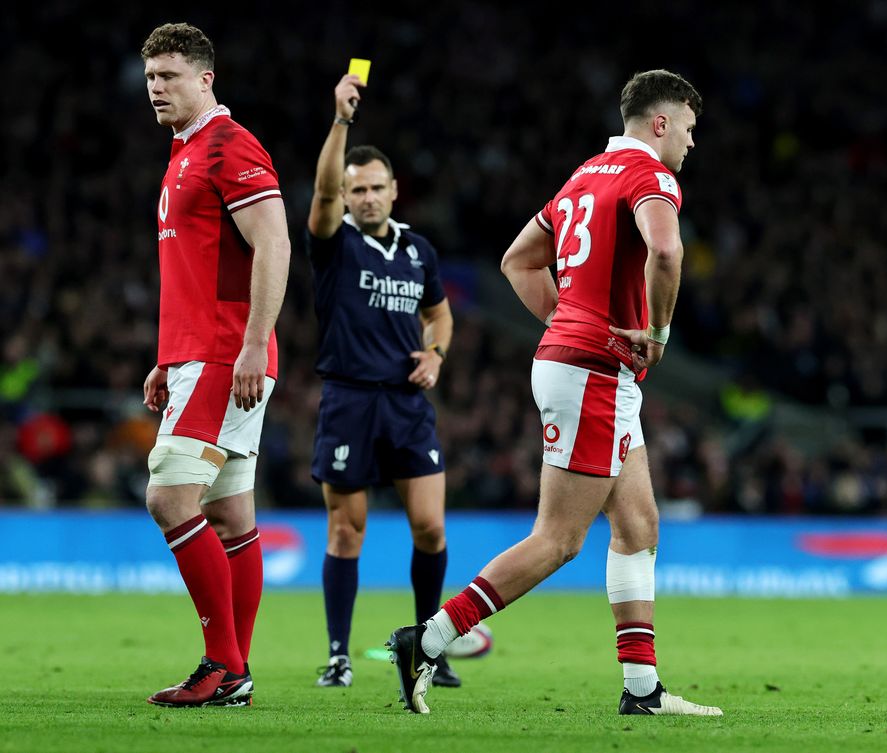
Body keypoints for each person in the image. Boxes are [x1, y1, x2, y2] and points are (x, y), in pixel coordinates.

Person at [387, 69, 723, 717]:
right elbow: (667, 251)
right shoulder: (651, 176)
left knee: (637, 522)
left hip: (585, 365)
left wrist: (565, 322)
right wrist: (656, 329)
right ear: (659, 123)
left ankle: (642, 689)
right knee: (560, 538)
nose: (689, 141)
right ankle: (427, 638)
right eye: (687, 126)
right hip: (594, 372)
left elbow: (518, 258)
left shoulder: (584, 176)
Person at [139, 23, 291, 707]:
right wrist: (165, 358)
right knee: (229, 515)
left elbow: (274, 244)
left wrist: (255, 342)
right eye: (150, 78)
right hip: (197, 353)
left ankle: (223, 665)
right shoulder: (182, 154)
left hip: (229, 351)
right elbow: (193, 270)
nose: (156, 89)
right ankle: (232, 670)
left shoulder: (231, 145)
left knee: (169, 496)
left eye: (169, 76)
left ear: (206, 79)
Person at [306, 73, 458, 689]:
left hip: (405, 403)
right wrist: (342, 121)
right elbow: (319, 195)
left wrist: (437, 354)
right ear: (343, 195)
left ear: (395, 190)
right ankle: (339, 655)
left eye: (375, 188)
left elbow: (439, 313)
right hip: (348, 398)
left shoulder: (419, 250)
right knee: (348, 529)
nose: (365, 198)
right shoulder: (334, 244)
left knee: (431, 526)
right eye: (355, 190)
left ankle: (427, 647)